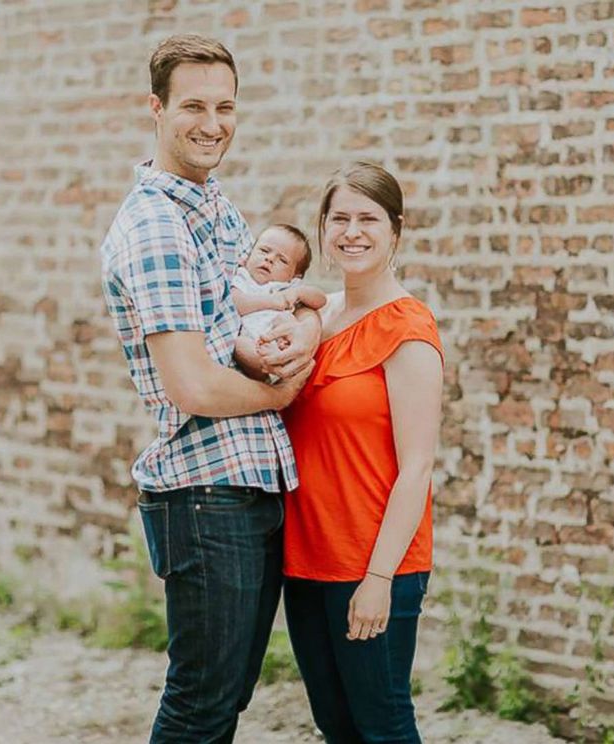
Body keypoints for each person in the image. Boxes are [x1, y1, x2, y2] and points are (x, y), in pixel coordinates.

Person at [99, 34, 321, 742]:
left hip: (244, 485)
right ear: (156, 109)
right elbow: (192, 384)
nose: (213, 122)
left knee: (224, 701)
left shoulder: (212, 207)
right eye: (194, 105)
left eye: (226, 106)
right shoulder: (158, 225)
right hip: (204, 494)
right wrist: (280, 396)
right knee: (200, 703)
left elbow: (251, 311)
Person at [276, 162, 445, 743]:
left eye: (368, 218)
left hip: (374, 565)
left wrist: (377, 579)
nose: (352, 231)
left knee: (384, 727)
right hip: (304, 562)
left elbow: (417, 467)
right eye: (339, 218)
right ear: (322, 229)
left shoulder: (408, 329)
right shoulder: (314, 322)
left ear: (395, 230)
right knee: (336, 727)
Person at [231, 224, 327, 380]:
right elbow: (236, 303)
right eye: (264, 251)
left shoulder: (288, 286)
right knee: (238, 343)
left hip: (280, 339)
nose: (269, 259)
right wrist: (273, 301)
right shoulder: (244, 278)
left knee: (286, 320)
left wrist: (298, 292)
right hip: (251, 341)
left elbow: (321, 300)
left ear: (295, 276)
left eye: (282, 260)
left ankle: (281, 354)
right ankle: (269, 362)